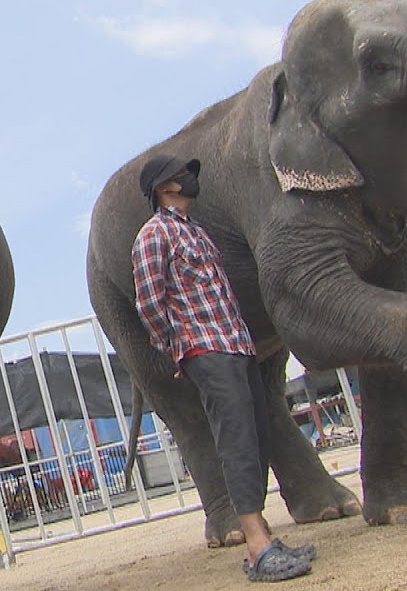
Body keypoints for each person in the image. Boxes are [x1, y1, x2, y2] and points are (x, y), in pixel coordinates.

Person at [131, 155, 315, 583]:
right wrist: (178, 346)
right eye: (182, 177)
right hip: (206, 348)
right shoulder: (153, 235)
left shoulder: (195, 231)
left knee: (256, 436)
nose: (190, 181)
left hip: (236, 345)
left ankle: (262, 540)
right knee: (234, 439)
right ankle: (257, 545)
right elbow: (148, 302)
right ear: (164, 188)